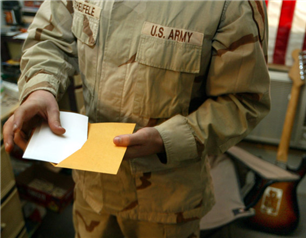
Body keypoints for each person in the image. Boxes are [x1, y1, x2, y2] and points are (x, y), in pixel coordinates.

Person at [3, 0, 270, 237]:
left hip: (167, 205)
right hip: (91, 193)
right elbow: (49, 39)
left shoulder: (230, 5)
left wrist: (168, 139)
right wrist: (40, 88)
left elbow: (244, 100)